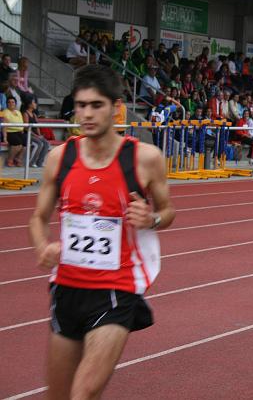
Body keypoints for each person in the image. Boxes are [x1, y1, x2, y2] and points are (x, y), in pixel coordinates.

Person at [28, 64, 175, 399]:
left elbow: (169, 212)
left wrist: (150, 219)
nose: (87, 114)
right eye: (81, 106)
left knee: (83, 392)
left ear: (115, 107)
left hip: (115, 289)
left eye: (97, 105)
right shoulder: (59, 158)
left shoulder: (144, 158)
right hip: (66, 288)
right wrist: (42, 246)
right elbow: (38, 217)